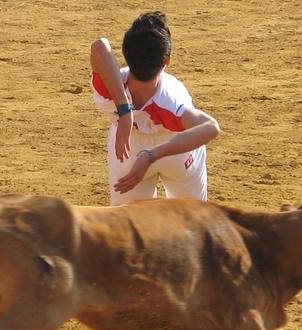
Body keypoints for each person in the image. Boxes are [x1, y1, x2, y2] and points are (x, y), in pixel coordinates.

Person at [90, 12, 220, 207]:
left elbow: (99, 47)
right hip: (177, 154)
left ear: (126, 54)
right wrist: (152, 155)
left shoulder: (110, 89)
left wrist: (125, 111)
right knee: (190, 223)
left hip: (127, 153)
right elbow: (212, 127)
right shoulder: (171, 102)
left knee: (127, 226)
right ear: (167, 60)